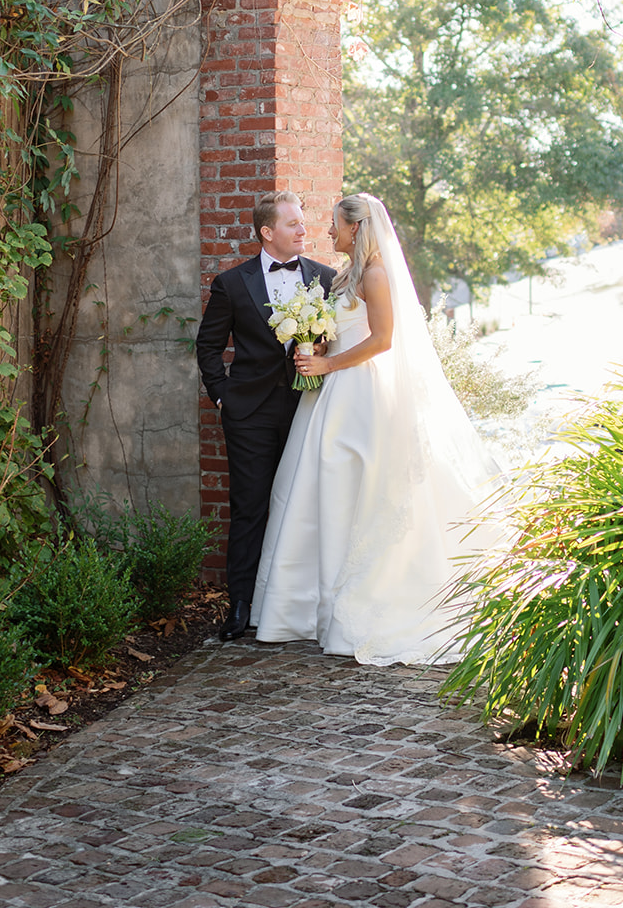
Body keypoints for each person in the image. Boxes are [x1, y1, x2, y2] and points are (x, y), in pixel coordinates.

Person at [250, 192, 502, 665]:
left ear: (356, 228)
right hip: (334, 392)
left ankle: (370, 601)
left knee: (361, 491)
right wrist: (319, 352)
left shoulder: (376, 274)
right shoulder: (346, 274)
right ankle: (309, 608)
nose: (327, 232)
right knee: (322, 492)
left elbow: (382, 340)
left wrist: (329, 366)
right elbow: (346, 330)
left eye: (333, 224)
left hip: (362, 394)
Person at [196, 192, 336, 641]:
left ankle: (307, 607)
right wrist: (223, 399)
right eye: (293, 223)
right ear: (267, 232)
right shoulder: (232, 284)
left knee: (307, 506)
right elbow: (208, 347)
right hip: (249, 416)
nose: (303, 230)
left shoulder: (325, 278)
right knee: (250, 509)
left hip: (307, 411)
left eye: (303, 221)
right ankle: (240, 606)